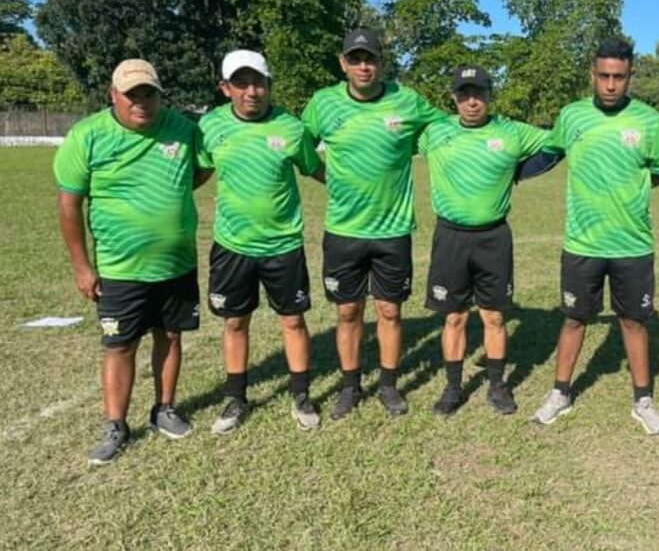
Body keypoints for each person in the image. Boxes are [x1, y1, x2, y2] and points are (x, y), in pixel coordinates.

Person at [531, 37, 659, 434]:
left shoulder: (648, 120)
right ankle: (560, 393)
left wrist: (632, 193)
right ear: (592, 74)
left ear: (630, 76)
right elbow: (549, 153)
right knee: (574, 319)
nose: (611, 84)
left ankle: (643, 400)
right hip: (582, 244)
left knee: (633, 322)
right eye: (604, 76)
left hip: (633, 244)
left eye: (619, 76)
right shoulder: (571, 116)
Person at [55, 59, 202, 465]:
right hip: (120, 268)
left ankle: (164, 409)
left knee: (170, 335)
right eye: (132, 94)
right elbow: (69, 206)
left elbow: (201, 171)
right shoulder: (87, 136)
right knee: (120, 345)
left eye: (149, 93)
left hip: (177, 263)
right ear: (113, 95)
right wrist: (82, 266)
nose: (142, 102)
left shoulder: (183, 129)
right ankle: (116, 425)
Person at [302, 29, 446, 418]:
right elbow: (302, 149)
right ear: (343, 63)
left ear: (381, 62)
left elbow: (444, 129)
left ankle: (388, 385)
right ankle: (350, 386)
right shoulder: (323, 103)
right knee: (348, 313)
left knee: (390, 311)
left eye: (371, 59)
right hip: (344, 231)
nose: (364, 66)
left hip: (393, 231)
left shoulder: (407, 99)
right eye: (356, 59)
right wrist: (328, 177)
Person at [419, 65, 559, 416]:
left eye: (478, 94)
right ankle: (453, 388)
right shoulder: (434, 131)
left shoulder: (512, 131)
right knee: (454, 317)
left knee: (494, 317)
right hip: (450, 236)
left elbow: (558, 143)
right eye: (464, 94)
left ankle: (497, 386)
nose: (471, 102)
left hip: (494, 237)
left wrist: (519, 172)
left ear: (489, 96)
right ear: (453, 98)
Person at [198, 50, 324, 434]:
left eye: (259, 83)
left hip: (283, 244)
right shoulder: (209, 126)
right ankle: (236, 398)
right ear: (225, 88)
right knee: (235, 322)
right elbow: (198, 172)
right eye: (241, 83)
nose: (251, 91)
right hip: (232, 245)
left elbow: (315, 169)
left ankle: (301, 395)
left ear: (269, 85)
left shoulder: (291, 127)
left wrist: (358, 187)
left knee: (293, 320)